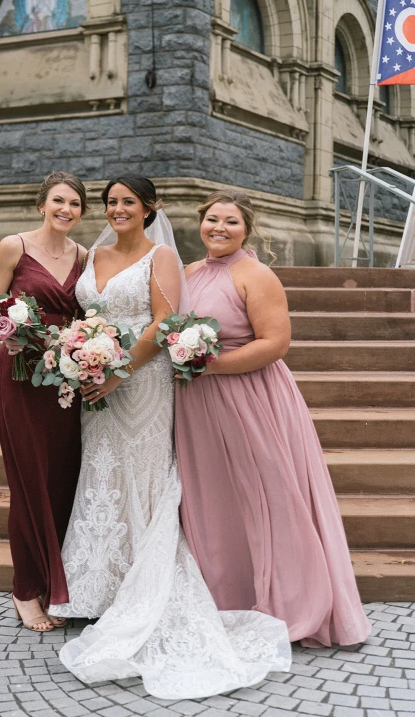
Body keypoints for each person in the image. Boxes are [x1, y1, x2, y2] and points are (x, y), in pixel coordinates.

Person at [48, 174, 291, 700]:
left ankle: (146, 584)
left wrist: (117, 371)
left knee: (145, 473)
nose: (117, 210)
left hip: (143, 379)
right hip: (99, 378)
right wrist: (81, 356)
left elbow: (162, 324)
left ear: (149, 208)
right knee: (102, 470)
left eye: (127, 202)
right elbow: (88, 314)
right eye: (110, 202)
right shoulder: (94, 252)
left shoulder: (161, 259)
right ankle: (97, 586)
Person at [174, 188, 372, 648]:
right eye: (212, 220)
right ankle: (227, 595)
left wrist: (209, 364)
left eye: (231, 222)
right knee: (214, 497)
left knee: (268, 493)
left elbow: (275, 343)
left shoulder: (256, 275)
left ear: (247, 229)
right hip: (196, 403)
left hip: (249, 398)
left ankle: (289, 598)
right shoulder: (189, 271)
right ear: (200, 223)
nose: (219, 228)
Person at [0, 170, 87, 632]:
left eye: (75, 204)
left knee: (61, 478)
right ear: (41, 204)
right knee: (28, 478)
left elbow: (89, 314)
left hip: (65, 379)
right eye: (59, 201)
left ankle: (58, 584)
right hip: (22, 374)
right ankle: (25, 588)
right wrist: (11, 331)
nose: (66, 210)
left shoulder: (86, 256)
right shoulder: (14, 247)